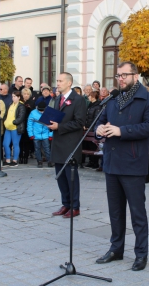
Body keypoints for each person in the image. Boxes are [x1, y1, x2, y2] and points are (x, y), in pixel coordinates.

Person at [95, 61, 149, 272]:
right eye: (118, 76)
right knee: (115, 212)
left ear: (135, 76)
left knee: (137, 213)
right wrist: (100, 129)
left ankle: (141, 254)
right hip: (112, 162)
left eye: (124, 75)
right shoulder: (113, 98)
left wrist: (122, 131)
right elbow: (101, 119)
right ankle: (116, 249)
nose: (120, 79)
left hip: (133, 163)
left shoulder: (148, 99)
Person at [49, 72, 86, 219]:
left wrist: (60, 126)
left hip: (70, 144)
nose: (57, 83)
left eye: (60, 81)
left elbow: (79, 122)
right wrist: (49, 123)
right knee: (60, 176)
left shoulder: (78, 100)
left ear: (69, 83)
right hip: (58, 143)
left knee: (70, 176)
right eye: (57, 80)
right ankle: (66, 204)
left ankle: (75, 206)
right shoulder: (58, 98)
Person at [3, 91, 26, 167]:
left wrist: (13, 122)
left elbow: (21, 117)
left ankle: (15, 160)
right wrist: (5, 121)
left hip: (15, 128)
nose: (13, 98)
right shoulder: (10, 104)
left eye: (15, 96)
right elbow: (6, 115)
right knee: (5, 144)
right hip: (8, 127)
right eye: (12, 96)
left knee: (15, 144)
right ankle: (8, 159)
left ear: (19, 97)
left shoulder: (21, 106)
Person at [27, 101, 53, 168]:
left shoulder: (48, 113)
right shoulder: (33, 113)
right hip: (36, 135)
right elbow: (29, 124)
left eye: (42, 110)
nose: (41, 112)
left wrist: (50, 135)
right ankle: (39, 161)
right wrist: (31, 134)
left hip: (45, 134)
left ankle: (49, 161)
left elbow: (51, 125)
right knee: (37, 149)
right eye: (40, 110)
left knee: (47, 149)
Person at [84, 91, 102, 169]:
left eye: (89, 96)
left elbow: (95, 118)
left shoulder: (97, 106)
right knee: (88, 146)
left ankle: (95, 162)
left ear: (93, 97)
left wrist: (90, 128)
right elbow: (87, 116)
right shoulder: (90, 105)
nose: (88, 97)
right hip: (87, 128)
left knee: (93, 146)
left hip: (92, 129)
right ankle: (91, 162)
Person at [18, 88, 35, 164]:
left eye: (28, 94)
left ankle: (26, 157)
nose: (26, 95)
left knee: (27, 142)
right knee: (20, 142)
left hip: (28, 124)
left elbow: (33, 113)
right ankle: (20, 156)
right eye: (25, 94)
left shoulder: (32, 102)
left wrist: (29, 108)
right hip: (20, 124)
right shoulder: (19, 102)